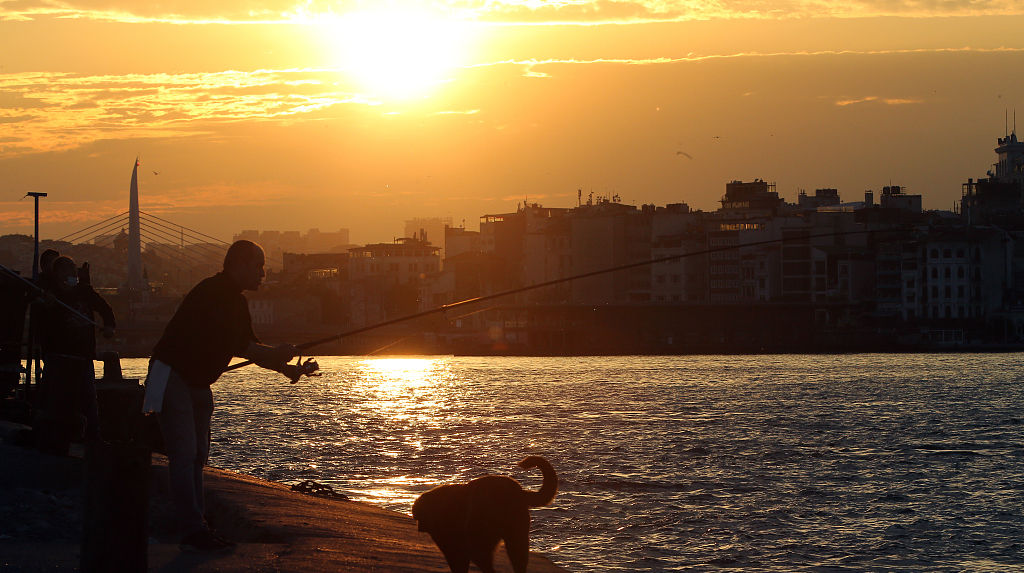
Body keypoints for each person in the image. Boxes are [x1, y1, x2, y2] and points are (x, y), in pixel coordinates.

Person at [148, 240, 300, 552]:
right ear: (240, 264)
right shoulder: (215, 294)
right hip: (172, 375)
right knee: (184, 454)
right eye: (258, 266)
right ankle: (192, 529)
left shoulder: (235, 301)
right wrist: (279, 355)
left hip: (197, 382)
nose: (262, 272)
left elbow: (250, 348)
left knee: (198, 456)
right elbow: (246, 348)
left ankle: (198, 524)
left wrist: (286, 368)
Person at [34, 256, 116, 452]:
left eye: (74, 271)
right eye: (68, 271)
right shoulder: (49, 295)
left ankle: (94, 438)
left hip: (83, 356)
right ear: (59, 274)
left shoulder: (84, 292)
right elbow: (42, 324)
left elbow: (105, 309)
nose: (73, 275)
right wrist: (46, 304)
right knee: (58, 401)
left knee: (89, 399)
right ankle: (57, 439)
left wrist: (109, 326)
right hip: (59, 357)